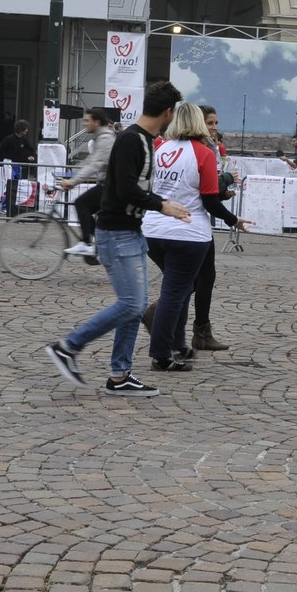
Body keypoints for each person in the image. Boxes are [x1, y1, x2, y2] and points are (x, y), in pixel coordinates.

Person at [45, 80, 190, 397]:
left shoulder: (143, 140)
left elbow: (132, 188)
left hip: (131, 232)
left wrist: (160, 203)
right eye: (173, 114)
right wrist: (162, 205)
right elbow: (125, 189)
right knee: (131, 304)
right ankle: (68, 347)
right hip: (116, 233)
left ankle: (120, 375)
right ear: (168, 112)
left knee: (135, 307)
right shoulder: (131, 141)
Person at [144, 102, 251, 372]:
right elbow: (209, 200)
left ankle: (179, 343)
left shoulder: (160, 148)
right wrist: (233, 220)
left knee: (182, 287)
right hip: (187, 232)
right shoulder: (202, 153)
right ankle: (161, 353)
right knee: (175, 291)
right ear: (199, 123)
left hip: (153, 229)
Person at [189, 104, 233, 351]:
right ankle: (159, 315)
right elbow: (205, 192)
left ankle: (202, 331)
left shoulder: (212, 147)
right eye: (209, 123)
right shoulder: (201, 149)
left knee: (203, 277)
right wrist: (232, 218)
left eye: (216, 123)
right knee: (194, 279)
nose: (214, 128)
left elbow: (211, 191)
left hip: (201, 219)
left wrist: (223, 191)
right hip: (191, 221)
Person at [59, 107, 116, 258]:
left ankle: (87, 243)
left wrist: (73, 182)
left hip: (111, 186)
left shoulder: (105, 139)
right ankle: (95, 242)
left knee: (81, 203)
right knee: (93, 212)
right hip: (107, 184)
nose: (84, 124)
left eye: (87, 121)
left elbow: (95, 164)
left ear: (97, 122)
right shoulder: (101, 137)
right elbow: (89, 161)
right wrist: (73, 177)